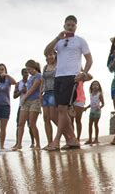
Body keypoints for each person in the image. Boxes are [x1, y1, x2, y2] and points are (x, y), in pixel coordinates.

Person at [43, 15, 93, 151]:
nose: (70, 27)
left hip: (71, 77)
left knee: (63, 109)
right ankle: (73, 139)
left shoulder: (80, 41)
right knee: (60, 110)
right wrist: (57, 38)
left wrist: (83, 73)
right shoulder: (59, 42)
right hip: (58, 77)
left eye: (73, 25)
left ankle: (57, 141)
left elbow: (89, 59)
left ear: (76, 27)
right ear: (64, 26)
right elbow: (46, 52)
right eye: (68, 25)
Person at [13, 60, 42, 151]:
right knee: (20, 123)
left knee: (32, 124)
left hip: (35, 101)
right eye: (27, 69)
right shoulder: (30, 78)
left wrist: (24, 97)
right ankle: (19, 144)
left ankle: (38, 144)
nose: (28, 71)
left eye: (29, 69)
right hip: (26, 101)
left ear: (33, 68)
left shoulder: (39, 76)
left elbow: (33, 89)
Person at [12, 68, 34, 149]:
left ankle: (33, 143)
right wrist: (21, 91)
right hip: (21, 106)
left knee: (31, 124)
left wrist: (27, 91)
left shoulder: (31, 82)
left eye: (27, 72)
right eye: (24, 72)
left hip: (30, 105)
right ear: (22, 73)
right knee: (19, 124)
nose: (26, 74)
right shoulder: (18, 84)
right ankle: (17, 143)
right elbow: (14, 96)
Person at [40, 50, 58, 147]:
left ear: (55, 55)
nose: (49, 57)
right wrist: (40, 93)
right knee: (46, 118)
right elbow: (43, 80)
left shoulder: (58, 65)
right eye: (47, 55)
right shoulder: (45, 67)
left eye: (51, 54)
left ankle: (67, 133)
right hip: (46, 93)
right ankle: (49, 142)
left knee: (53, 116)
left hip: (54, 92)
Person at [71, 73, 93, 142]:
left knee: (78, 119)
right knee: (70, 120)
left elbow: (90, 77)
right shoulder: (68, 75)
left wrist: (83, 71)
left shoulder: (80, 76)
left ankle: (78, 138)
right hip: (70, 100)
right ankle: (72, 138)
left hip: (79, 100)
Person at [84, 80, 104, 144]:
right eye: (93, 85)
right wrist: (86, 107)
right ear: (91, 87)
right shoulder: (91, 94)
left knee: (95, 124)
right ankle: (90, 139)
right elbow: (92, 103)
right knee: (90, 124)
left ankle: (96, 139)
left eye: (97, 85)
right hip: (91, 111)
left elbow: (103, 104)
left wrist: (99, 107)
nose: (95, 86)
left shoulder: (99, 94)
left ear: (99, 87)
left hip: (97, 111)